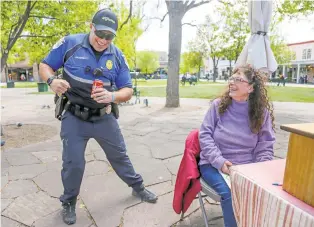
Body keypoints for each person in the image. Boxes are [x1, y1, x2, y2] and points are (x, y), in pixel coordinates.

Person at [39, 8, 157, 225]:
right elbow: (45, 65)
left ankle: (138, 188)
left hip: (104, 118)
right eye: (100, 34)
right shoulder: (69, 44)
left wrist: (112, 95)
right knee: (73, 163)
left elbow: (128, 90)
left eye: (109, 36)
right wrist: (51, 81)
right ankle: (69, 202)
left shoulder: (118, 56)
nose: (103, 40)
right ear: (91, 27)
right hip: (74, 116)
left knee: (120, 157)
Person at [198, 64, 276, 227]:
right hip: (214, 165)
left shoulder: (261, 113)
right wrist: (219, 161)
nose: (232, 82)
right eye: (231, 78)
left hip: (247, 167)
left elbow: (265, 145)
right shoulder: (218, 106)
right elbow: (204, 136)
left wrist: (260, 168)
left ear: (250, 88)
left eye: (238, 79)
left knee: (266, 192)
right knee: (231, 194)